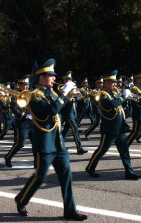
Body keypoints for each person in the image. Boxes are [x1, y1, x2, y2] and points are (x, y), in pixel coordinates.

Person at [14, 58, 87, 221]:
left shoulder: (53, 92)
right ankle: (21, 199)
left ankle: (70, 210)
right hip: (44, 143)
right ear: (41, 77)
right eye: (51, 75)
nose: (55, 78)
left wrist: (73, 96)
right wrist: (64, 95)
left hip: (58, 141)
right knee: (39, 178)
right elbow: (52, 110)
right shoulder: (33, 95)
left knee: (66, 176)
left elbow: (63, 111)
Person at [85, 70, 141, 180]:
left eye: (115, 82)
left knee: (125, 151)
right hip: (109, 129)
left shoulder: (114, 92)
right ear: (106, 82)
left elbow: (122, 105)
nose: (115, 84)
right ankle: (90, 168)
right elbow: (112, 104)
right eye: (113, 82)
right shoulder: (102, 94)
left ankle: (129, 172)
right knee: (102, 150)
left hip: (120, 128)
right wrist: (124, 97)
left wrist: (128, 98)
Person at [4, 74, 34, 167]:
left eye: (27, 84)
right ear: (20, 85)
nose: (27, 86)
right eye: (24, 84)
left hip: (32, 122)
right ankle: (8, 157)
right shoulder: (15, 95)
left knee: (36, 143)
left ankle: (37, 162)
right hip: (22, 123)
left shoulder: (30, 93)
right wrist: (25, 115)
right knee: (20, 144)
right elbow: (14, 109)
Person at [60, 71, 88, 155]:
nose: (69, 80)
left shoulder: (72, 86)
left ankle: (59, 145)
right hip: (67, 110)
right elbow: (63, 97)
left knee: (66, 130)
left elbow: (78, 98)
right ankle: (79, 148)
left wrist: (78, 95)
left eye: (70, 79)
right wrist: (70, 95)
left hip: (72, 110)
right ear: (64, 80)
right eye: (67, 79)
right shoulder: (64, 87)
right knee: (75, 129)